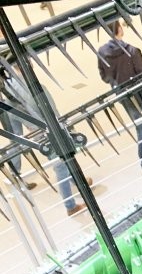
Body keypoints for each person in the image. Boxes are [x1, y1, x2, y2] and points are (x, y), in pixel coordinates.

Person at [0, 67, 90, 217]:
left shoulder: (12, 84)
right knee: (61, 164)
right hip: (46, 130)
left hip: (40, 128)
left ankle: (78, 183)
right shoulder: (24, 84)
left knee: (64, 160)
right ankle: (70, 205)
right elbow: (46, 109)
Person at [98, 20, 142, 175]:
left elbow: (104, 76)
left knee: (140, 123)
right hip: (138, 95)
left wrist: (116, 82)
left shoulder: (102, 52)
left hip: (122, 95)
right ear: (120, 29)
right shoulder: (133, 51)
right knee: (141, 127)